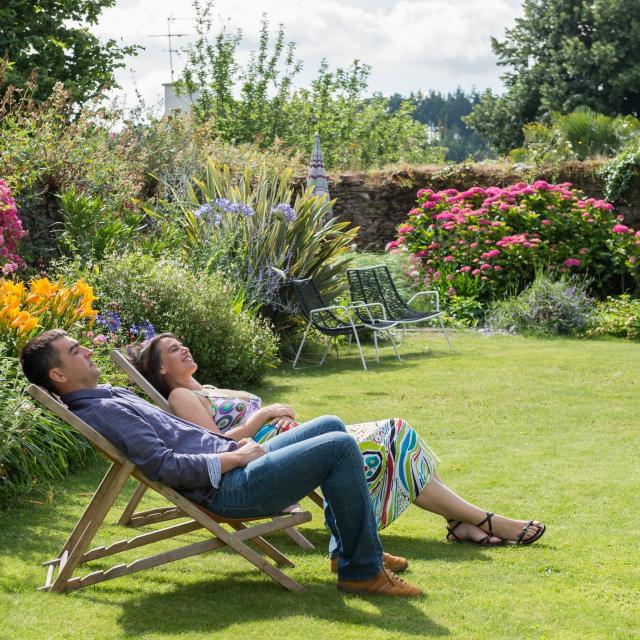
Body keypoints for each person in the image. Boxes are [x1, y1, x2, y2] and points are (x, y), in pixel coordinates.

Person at [19, 329, 423, 597]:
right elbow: (165, 466)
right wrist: (234, 456)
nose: (87, 350)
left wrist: (232, 447)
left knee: (330, 426)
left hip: (231, 466)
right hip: (228, 488)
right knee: (338, 445)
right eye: (76, 351)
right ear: (58, 373)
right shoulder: (104, 411)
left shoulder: (103, 396)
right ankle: (361, 573)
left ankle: (347, 551)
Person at [129, 333, 546, 558]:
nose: (183, 348)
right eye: (172, 349)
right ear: (162, 368)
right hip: (269, 452)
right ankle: (483, 521)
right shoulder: (181, 397)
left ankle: (465, 523)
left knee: (398, 434)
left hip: (290, 437)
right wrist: (261, 416)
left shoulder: (203, 387)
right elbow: (216, 444)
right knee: (389, 438)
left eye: (182, 343)